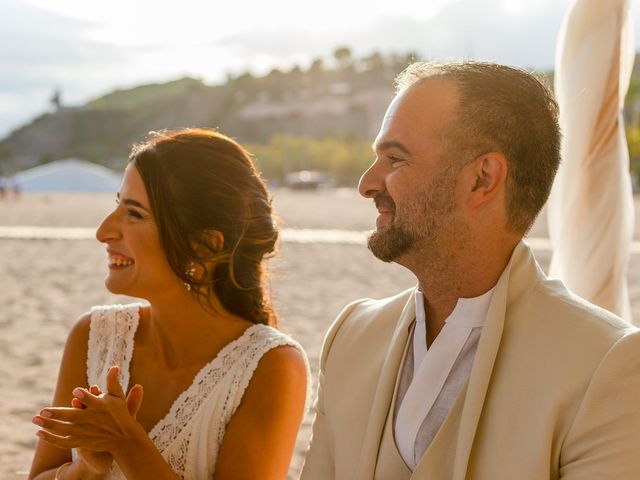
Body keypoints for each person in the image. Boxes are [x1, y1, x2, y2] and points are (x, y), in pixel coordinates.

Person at [301, 61, 640, 479]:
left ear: (482, 179)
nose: (368, 183)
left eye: (395, 159)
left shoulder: (605, 365)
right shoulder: (352, 337)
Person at [29, 129, 309, 479]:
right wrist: (85, 467)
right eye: (118, 205)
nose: (104, 231)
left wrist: (129, 445)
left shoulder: (271, 366)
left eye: (134, 214)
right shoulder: (93, 335)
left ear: (205, 245)